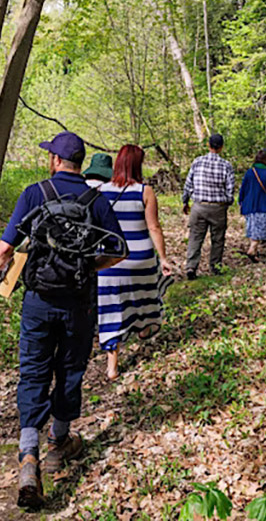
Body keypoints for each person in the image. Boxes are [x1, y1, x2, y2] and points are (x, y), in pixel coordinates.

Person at [0, 131, 126, 510]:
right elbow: (119, 248)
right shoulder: (94, 199)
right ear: (79, 163)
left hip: (37, 300)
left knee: (33, 371)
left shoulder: (35, 193)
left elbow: (5, 248)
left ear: (55, 161)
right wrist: (91, 265)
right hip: (78, 302)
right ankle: (59, 442)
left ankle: (28, 455)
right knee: (70, 369)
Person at [97, 145, 173, 380]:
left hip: (110, 263)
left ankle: (112, 366)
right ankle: (145, 327)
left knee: (111, 311)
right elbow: (154, 227)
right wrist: (163, 258)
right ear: (138, 165)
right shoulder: (145, 191)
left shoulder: (100, 191)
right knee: (150, 293)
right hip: (140, 259)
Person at [182, 133, 235, 280]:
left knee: (195, 237)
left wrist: (185, 201)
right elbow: (230, 189)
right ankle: (215, 266)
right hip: (218, 207)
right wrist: (227, 202)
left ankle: (191, 267)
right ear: (222, 147)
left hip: (199, 206)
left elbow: (188, 184)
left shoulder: (197, 162)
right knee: (218, 239)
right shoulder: (226, 165)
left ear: (208, 145)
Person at [238, 150, 266, 262]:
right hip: (263, 205)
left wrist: (240, 200)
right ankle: (252, 249)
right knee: (260, 228)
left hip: (249, 205)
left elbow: (243, 188)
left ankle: (254, 251)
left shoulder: (250, 172)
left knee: (252, 227)